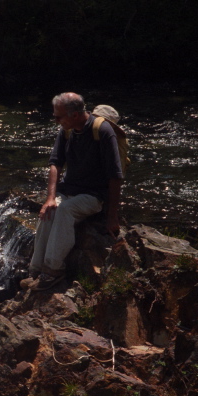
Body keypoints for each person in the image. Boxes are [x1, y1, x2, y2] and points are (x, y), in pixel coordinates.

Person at [24, 92, 123, 291]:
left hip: (94, 196)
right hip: (70, 190)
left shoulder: (103, 132)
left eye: (58, 117)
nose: (56, 120)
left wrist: (112, 216)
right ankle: (35, 270)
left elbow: (115, 176)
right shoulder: (66, 131)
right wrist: (50, 198)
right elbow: (55, 164)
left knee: (65, 210)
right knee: (50, 211)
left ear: (75, 115)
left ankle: (53, 270)